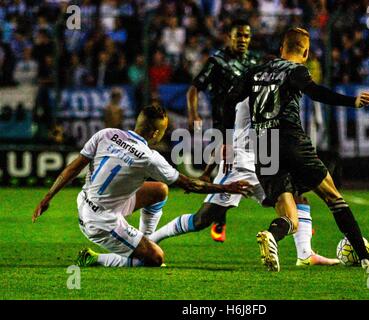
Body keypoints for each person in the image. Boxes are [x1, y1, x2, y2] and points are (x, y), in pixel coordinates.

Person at [226, 27, 369, 272]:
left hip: (264, 147)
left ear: (281, 48)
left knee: (290, 217)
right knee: (334, 198)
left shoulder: (255, 72)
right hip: (292, 141)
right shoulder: (296, 70)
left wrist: (227, 136)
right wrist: (351, 101)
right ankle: (367, 259)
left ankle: (272, 235)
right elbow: (316, 92)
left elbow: (229, 99)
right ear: (305, 52)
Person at [32, 105, 251, 268]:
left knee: (159, 190)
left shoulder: (106, 134)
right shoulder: (149, 157)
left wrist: (47, 197)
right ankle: (95, 258)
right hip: (101, 222)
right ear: (156, 133)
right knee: (155, 259)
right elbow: (189, 184)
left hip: (86, 203)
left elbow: (72, 168)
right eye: (163, 131)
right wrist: (226, 188)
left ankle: (145, 239)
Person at [148, 98, 340, 267]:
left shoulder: (270, 99)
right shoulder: (248, 101)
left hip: (264, 163)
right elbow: (225, 135)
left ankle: (306, 254)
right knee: (201, 220)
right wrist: (208, 172)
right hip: (239, 166)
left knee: (298, 200)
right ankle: (152, 239)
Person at [186, 19, 259, 242]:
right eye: (239, 36)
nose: (243, 40)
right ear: (230, 36)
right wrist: (193, 114)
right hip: (225, 123)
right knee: (228, 170)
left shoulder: (253, 62)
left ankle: (295, 215)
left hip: (249, 125)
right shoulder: (217, 61)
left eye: (247, 36)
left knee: (237, 172)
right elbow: (194, 88)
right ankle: (215, 215)